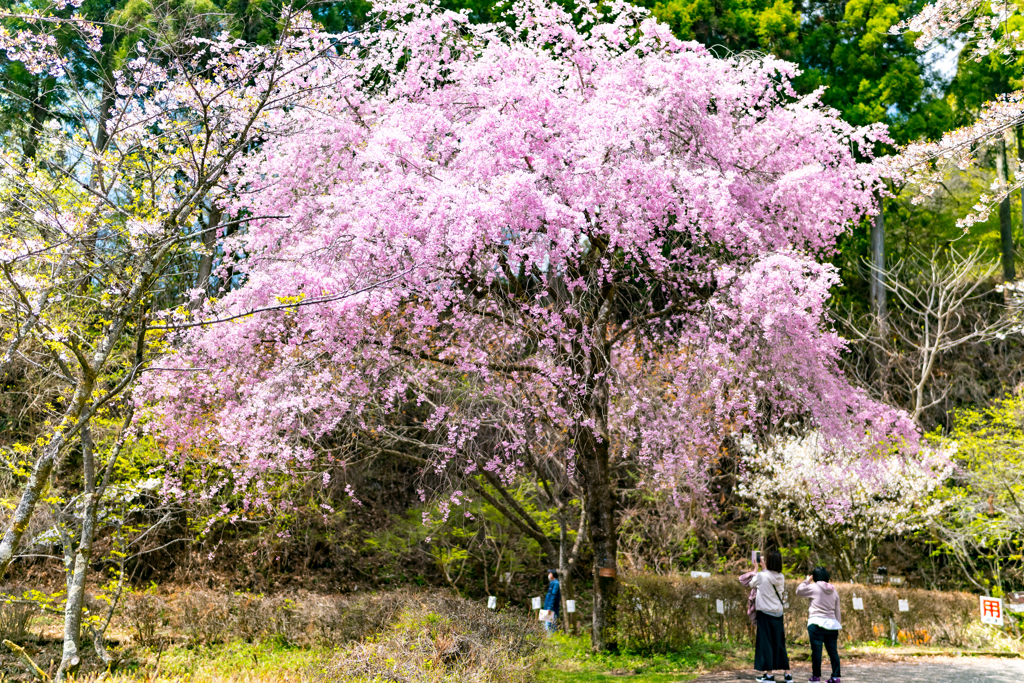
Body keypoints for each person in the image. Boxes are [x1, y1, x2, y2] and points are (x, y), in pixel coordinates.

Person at [749, 551, 791, 683]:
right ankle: (788, 675)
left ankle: (769, 676)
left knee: (766, 644)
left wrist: (756, 569)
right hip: (778, 613)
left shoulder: (762, 575)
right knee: (779, 643)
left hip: (765, 614)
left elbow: (751, 583)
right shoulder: (781, 577)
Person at [796, 567, 842, 683]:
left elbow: (799, 591)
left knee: (816, 651)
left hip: (816, 623)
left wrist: (807, 581)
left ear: (815, 576)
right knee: (833, 652)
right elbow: (837, 610)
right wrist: (837, 624)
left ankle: (816, 677)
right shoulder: (833, 590)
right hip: (832, 624)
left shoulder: (814, 587)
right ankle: (835, 677)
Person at [543, 569, 561, 633]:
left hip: (551, 609)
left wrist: (549, 608)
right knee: (546, 627)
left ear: (552, 575)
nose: (549, 575)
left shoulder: (556, 583)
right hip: (548, 608)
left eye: (550, 573)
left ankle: (551, 641)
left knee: (550, 627)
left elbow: (553, 596)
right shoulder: (552, 583)